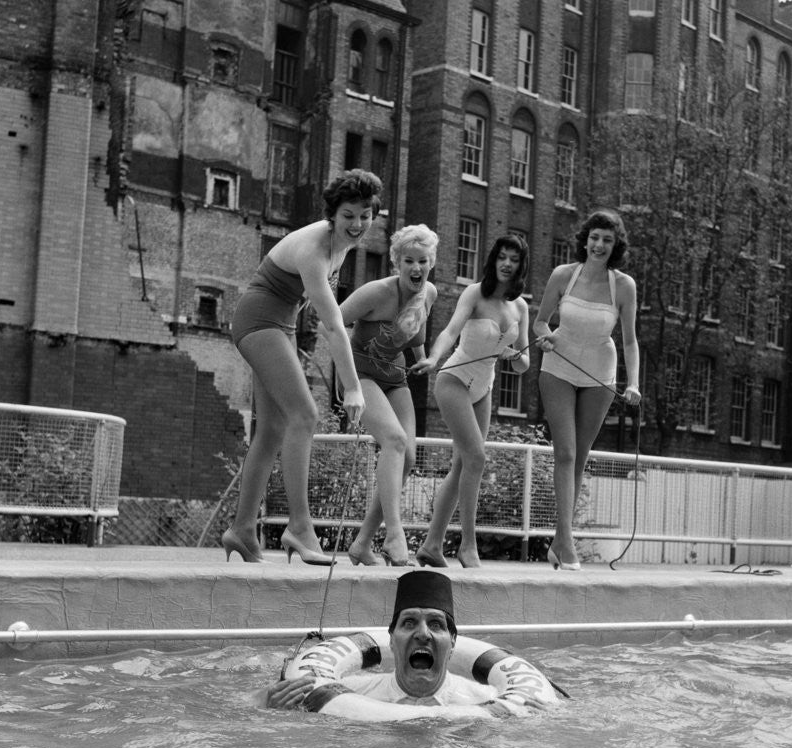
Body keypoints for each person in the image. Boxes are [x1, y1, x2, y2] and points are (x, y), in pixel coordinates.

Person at [223, 169, 382, 564]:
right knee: (305, 415)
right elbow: (331, 324)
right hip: (259, 320)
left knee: (274, 428)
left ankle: (242, 529)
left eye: (365, 214)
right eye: (349, 215)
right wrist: (353, 387)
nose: (358, 224)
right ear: (332, 215)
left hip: (282, 324)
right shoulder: (315, 247)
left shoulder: (342, 244)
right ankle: (298, 526)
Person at [410, 234, 530, 568]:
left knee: (462, 465)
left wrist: (516, 354)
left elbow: (523, 365)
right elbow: (450, 332)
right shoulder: (475, 293)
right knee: (476, 458)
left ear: (522, 266)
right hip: (454, 379)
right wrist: (434, 357)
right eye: (502, 257)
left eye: (514, 259)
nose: (507, 264)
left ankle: (432, 545)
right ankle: (467, 544)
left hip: (485, 387)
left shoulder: (520, 307)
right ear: (493, 259)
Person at [264, 570, 545, 711]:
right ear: (391, 640)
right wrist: (269, 703)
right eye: (409, 622)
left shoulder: (487, 701)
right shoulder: (347, 694)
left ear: (453, 643)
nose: (422, 633)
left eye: (436, 624)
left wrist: (539, 717)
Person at [533, 209, 641, 571]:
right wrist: (543, 338)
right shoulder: (563, 275)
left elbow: (629, 341)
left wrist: (634, 383)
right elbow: (539, 320)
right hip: (558, 367)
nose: (599, 245)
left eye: (607, 240)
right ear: (585, 240)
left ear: (615, 246)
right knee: (564, 452)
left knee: (580, 457)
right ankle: (567, 544)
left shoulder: (623, 286)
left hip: (600, 374)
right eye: (594, 238)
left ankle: (558, 542)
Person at [339, 225, 439, 566]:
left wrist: (423, 357)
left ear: (430, 263)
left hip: (396, 379)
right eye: (408, 260)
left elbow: (415, 334)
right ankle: (395, 536)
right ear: (397, 262)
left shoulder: (430, 294)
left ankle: (362, 543)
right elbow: (332, 323)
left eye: (422, 261)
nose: (416, 268)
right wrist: (349, 382)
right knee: (394, 441)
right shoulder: (375, 293)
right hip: (361, 376)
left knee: (407, 457)